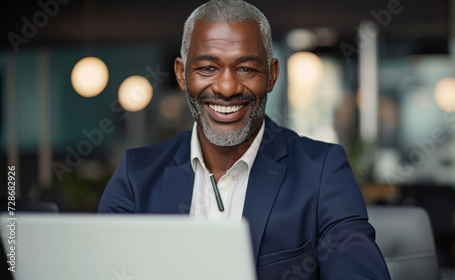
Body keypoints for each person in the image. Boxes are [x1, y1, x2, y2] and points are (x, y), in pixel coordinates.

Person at [98, 0, 390, 279]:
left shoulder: (323, 171)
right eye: (208, 68)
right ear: (181, 74)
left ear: (272, 75)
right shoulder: (136, 174)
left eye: (246, 69)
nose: (226, 88)